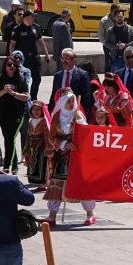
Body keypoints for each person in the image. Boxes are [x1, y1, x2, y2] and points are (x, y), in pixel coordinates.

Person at [41, 89, 96, 226]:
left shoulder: (77, 115)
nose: (72, 103)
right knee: (57, 183)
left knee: (80, 182)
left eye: (73, 100)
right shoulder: (56, 116)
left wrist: (80, 124)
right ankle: (52, 215)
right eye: (68, 101)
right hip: (62, 153)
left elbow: (86, 134)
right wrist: (65, 144)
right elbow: (51, 136)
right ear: (62, 103)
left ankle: (90, 214)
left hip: (76, 154)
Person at [0, 57, 30, 174]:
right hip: (3, 114)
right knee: (9, 139)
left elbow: (26, 96)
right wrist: (4, 91)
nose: (11, 67)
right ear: (5, 67)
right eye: (9, 65)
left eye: (14, 65)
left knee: (10, 137)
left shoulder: (20, 79)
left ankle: (7, 165)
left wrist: (13, 93)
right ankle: (15, 164)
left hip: (17, 114)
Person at [9, 10, 51, 101]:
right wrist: (12, 57)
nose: (34, 18)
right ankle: (24, 96)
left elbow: (41, 42)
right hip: (23, 60)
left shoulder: (36, 27)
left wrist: (47, 54)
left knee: (37, 79)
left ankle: (33, 97)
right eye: (32, 17)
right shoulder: (17, 29)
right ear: (26, 18)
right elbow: (12, 44)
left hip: (35, 58)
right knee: (23, 80)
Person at [48, 48, 92, 115]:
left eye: (67, 58)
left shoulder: (82, 75)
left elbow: (86, 96)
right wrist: (50, 110)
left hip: (75, 111)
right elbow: (54, 93)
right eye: (63, 58)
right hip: (60, 112)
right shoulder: (58, 75)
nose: (64, 61)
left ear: (74, 60)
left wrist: (83, 112)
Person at [24, 101, 50, 186]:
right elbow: (28, 135)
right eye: (34, 109)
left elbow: (46, 135)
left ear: (42, 111)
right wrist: (26, 147)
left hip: (41, 146)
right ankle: (33, 179)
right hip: (32, 146)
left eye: (38, 110)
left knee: (40, 163)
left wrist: (47, 147)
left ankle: (41, 181)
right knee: (32, 162)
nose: (36, 112)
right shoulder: (31, 121)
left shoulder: (43, 121)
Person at [97, 4, 119, 72]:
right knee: (108, 64)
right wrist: (106, 44)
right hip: (108, 46)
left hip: (118, 45)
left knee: (117, 63)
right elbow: (101, 35)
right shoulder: (104, 21)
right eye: (116, 11)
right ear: (111, 11)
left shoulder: (119, 19)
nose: (117, 13)